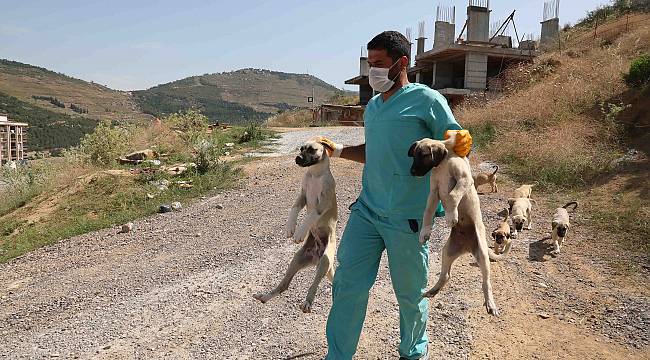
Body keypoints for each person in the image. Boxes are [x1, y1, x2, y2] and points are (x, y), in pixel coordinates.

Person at [318, 31, 470, 360]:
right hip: (367, 211)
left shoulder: (427, 100)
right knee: (347, 286)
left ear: (401, 63)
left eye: (379, 64)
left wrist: (457, 142)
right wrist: (340, 150)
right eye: (369, 64)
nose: (372, 71)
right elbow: (375, 150)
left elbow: (453, 142)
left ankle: (413, 353)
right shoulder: (373, 107)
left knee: (410, 295)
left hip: (408, 219)